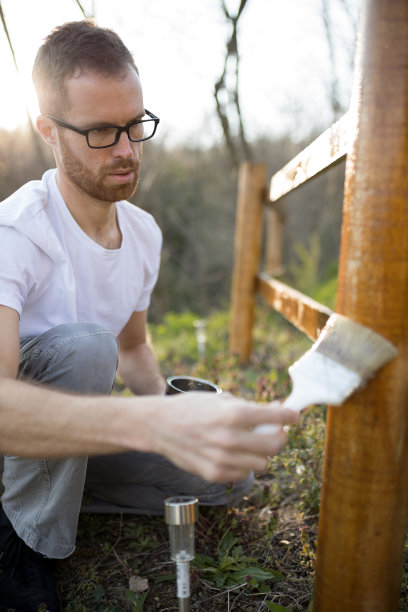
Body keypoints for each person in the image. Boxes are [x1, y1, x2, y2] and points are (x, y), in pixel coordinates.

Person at [0, 19, 299, 612]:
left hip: (68, 440)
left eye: (136, 126)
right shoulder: (16, 233)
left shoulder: (143, 232)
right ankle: (19, 544)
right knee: (86, 348)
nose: (127, 150)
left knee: (223, 478)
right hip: (15, 437)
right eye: (102, 132)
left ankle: (57, 491)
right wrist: (148, 428)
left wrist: (176, 415)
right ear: (48, 133)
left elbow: (134, 347)